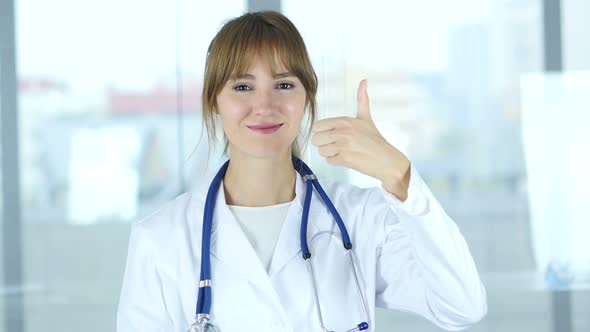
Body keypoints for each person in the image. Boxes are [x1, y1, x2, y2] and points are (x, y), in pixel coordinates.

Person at [116, 10, 487, 332]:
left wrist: (400, 175)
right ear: (215, 101)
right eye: (243, 86)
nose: (264, 105)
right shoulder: (160, 239)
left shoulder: (360, 217)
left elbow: (461, 307)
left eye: (283, 85)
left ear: (306, 98)